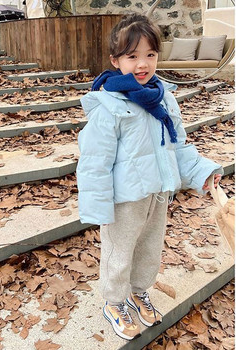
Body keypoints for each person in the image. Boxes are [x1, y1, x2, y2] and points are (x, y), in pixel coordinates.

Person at [76, 13, 223, 341]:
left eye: (150, 55)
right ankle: (114, 301)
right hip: (124, 198)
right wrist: (98, 205)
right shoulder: (110, 105)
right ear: (116, 61)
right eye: (132, 56)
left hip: (158, 191)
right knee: (119, 250)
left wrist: (201, 172)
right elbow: (94, 161)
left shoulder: (164, 97)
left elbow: (178, 144)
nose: (142, 63)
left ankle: (138, 290)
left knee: (149, 248)